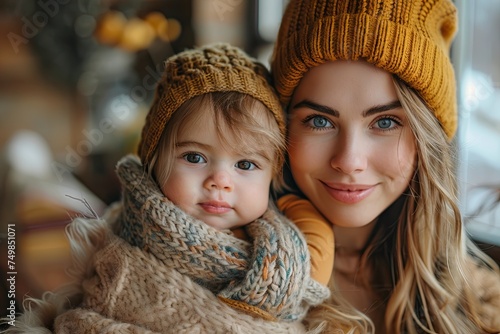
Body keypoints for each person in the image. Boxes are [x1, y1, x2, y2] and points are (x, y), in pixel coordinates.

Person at [2, 43, 332, 334]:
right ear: (154, 163)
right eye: (194, 157)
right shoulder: (129, 242)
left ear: (272, 177)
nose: (220, 180)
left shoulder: (283, 249)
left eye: (245, 165)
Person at [270, 0, 500, 333]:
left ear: (427, 138)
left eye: (386, 122)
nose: (349, 161)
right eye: (319, 120)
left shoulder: (480, 303)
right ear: (282, 126)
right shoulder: (236, 284)